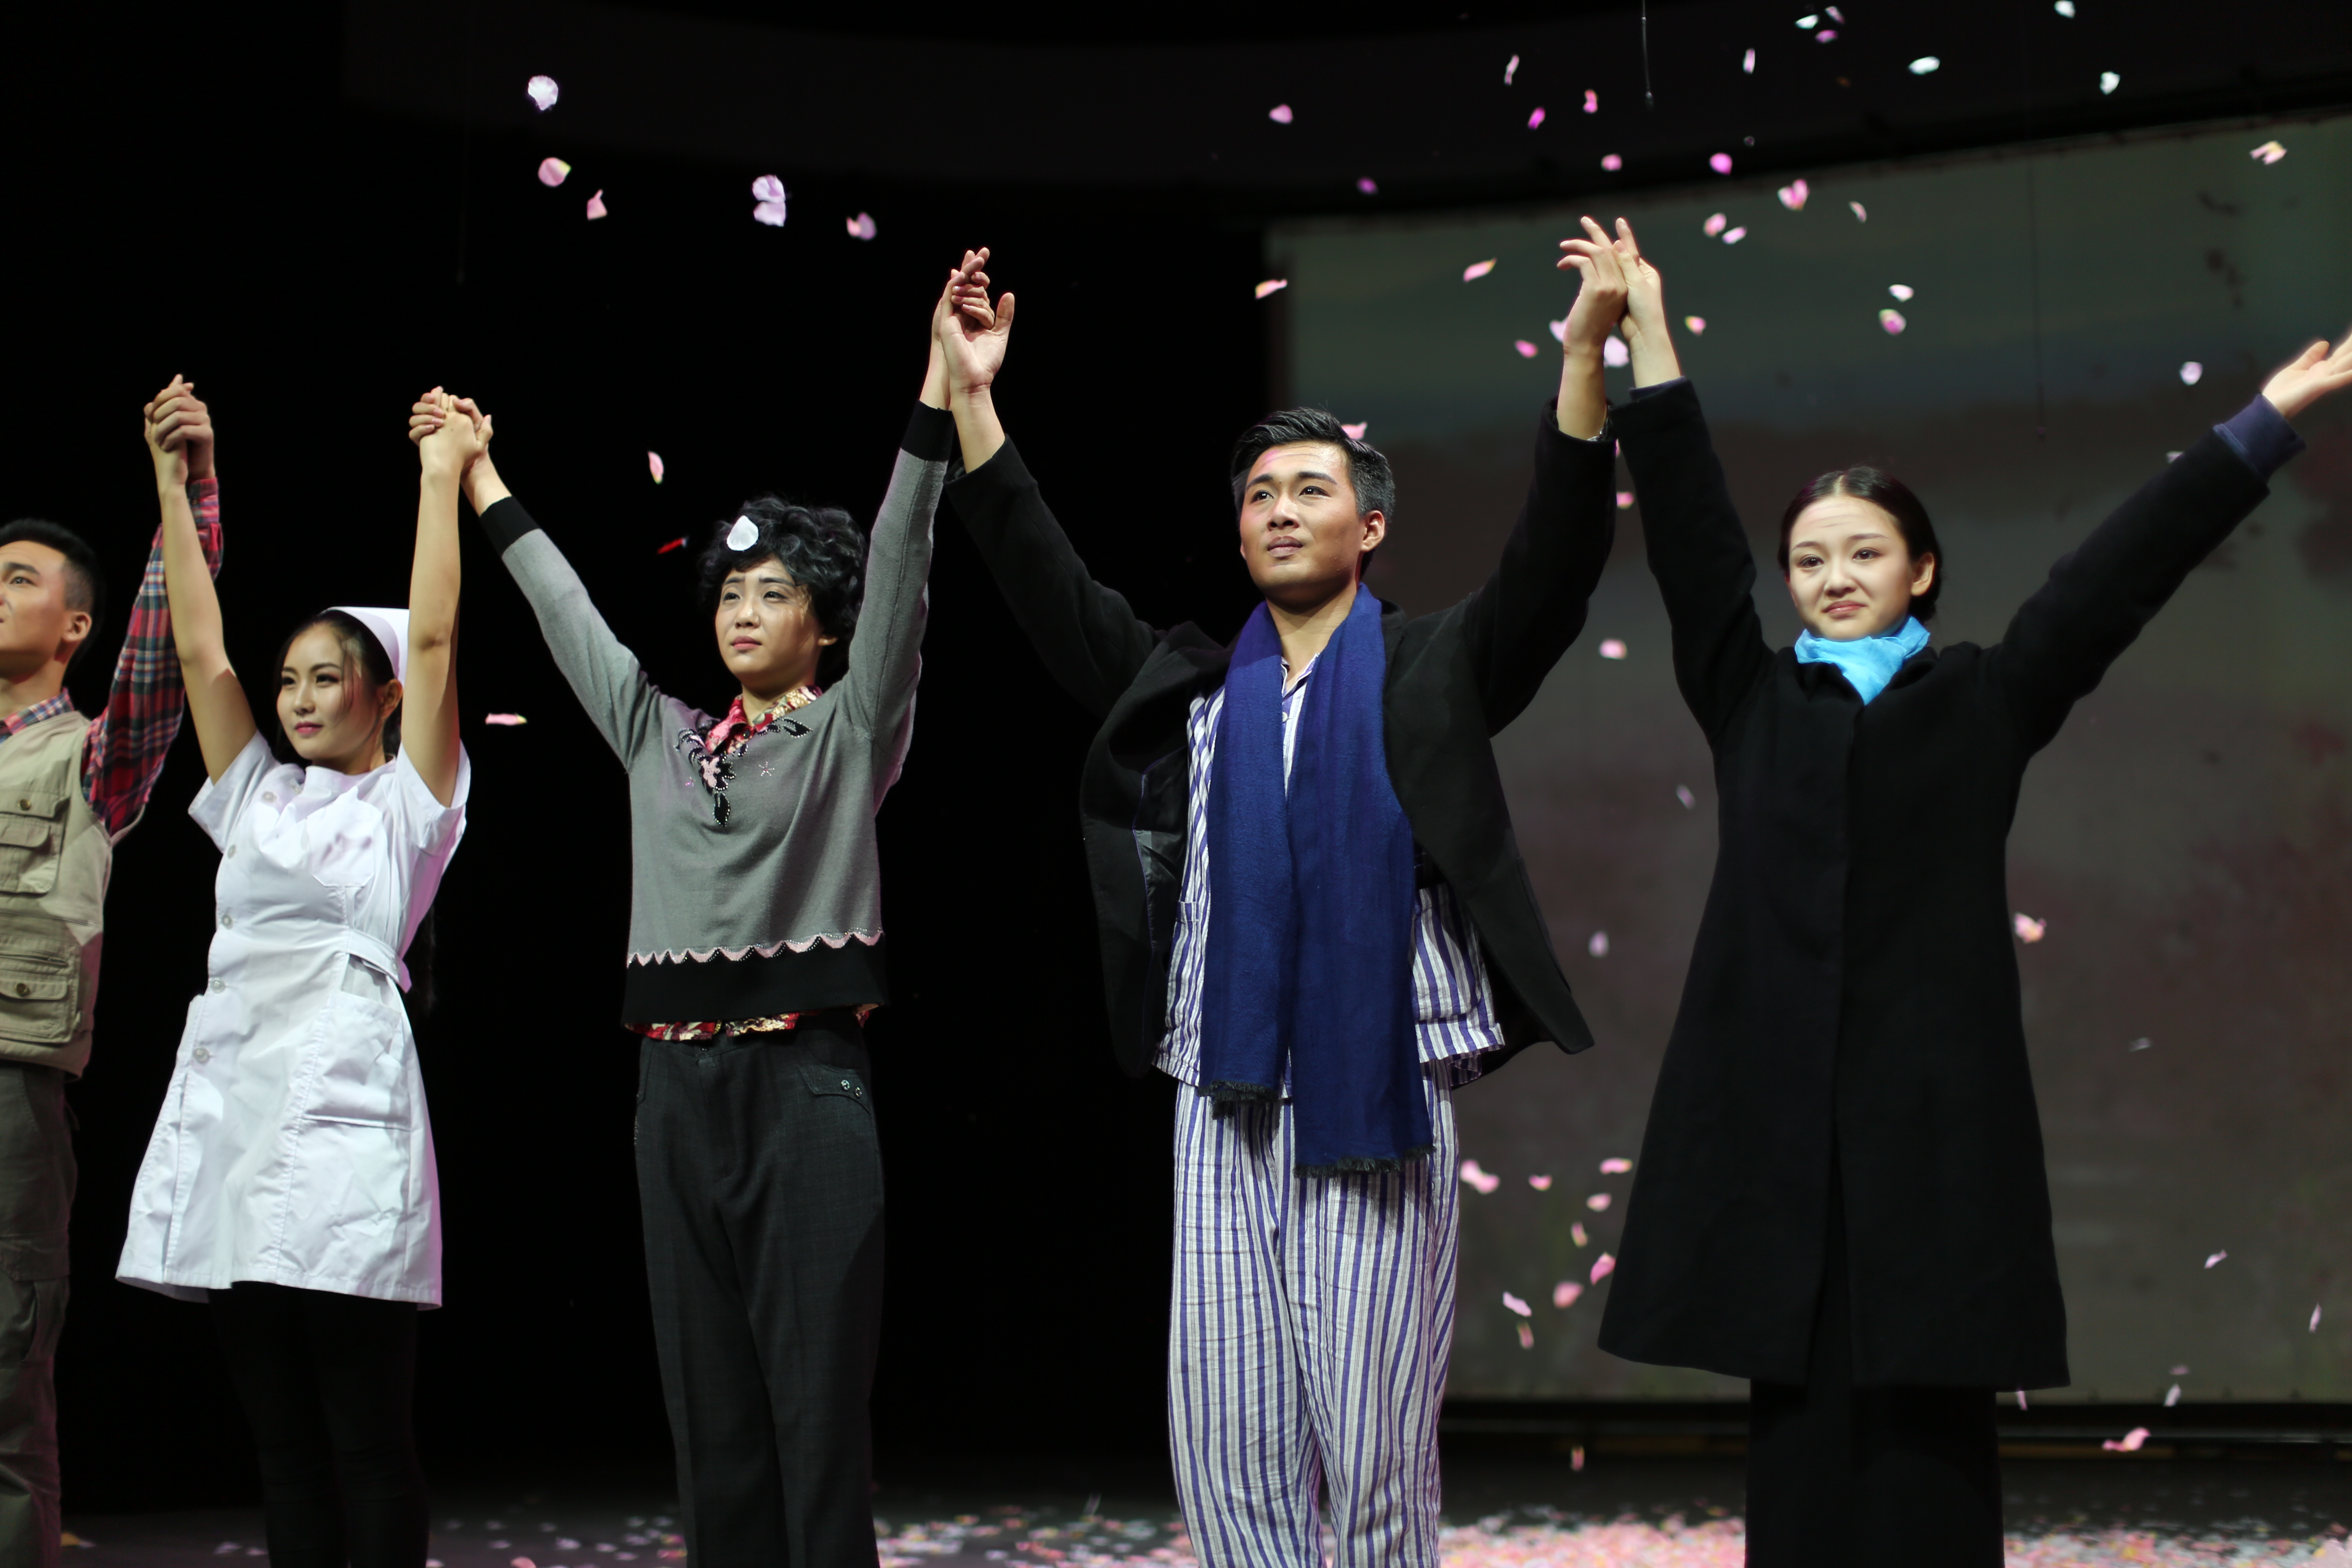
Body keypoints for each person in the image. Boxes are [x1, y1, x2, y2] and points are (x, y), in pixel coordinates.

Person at [1588, 215, 2351, 1564]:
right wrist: (1647, 336)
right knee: (1801, 1440)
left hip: (1933, 1126)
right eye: (1810, 558)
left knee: (1930, 1452)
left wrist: (2260, 428)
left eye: (1864, 552)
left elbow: (2114, 578)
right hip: (1779, 1124)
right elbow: (1695, 535)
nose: (1834, 577)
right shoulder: (1752, 698)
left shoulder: (1985, 699)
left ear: (1922, 569)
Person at [933, 227, 1626, 1568]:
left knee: (1370, 1455)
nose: (1281, 509)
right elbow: (1045, 582)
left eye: (1312, 489)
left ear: (1371, 528)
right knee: (1228, 1450)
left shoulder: (1430, 669)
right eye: (1260, 494)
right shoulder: (1194, 687)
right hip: (1224, 1088)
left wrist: (1584, 361)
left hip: (1374, 1083)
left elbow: (1551, 569)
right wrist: (973, 400)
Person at [407, 265, 976, 1568]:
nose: (742, 612)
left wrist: (939, 391)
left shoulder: (849, 732)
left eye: (774, 594)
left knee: (816, 1424)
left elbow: (903, 564)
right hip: (672, 1098)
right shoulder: (658, 735)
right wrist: (482, 478)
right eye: (730, 593)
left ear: (824, 627)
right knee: (710, 1423)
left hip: (807, 1089)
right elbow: (567, 615)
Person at [116, 386, 476, 1568]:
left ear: (384, 698)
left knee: (367, 1441)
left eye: (328, 678)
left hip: (344, 1118)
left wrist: (438, 479)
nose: (300, 699)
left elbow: (435, 638)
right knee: (280, 1448)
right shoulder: (259, 797)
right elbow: (200, 651)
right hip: (236, 1111)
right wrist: (175, 484)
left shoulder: (410, 807)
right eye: (290, 681)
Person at [0, 377, 227, 1566]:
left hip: (10, 1094)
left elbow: (166, 646)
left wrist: (184, 489)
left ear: (73, 627)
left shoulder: (93, 758)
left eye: (16, 579)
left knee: (2, 1390)